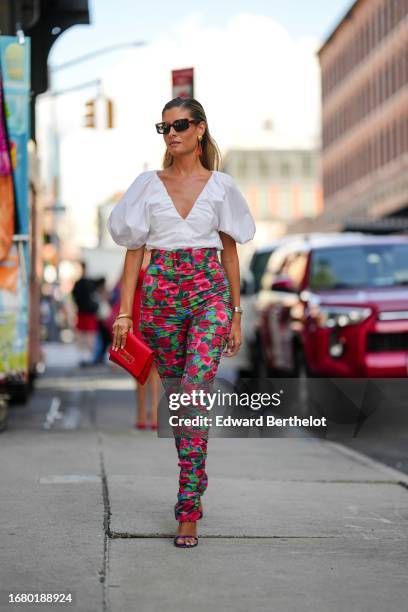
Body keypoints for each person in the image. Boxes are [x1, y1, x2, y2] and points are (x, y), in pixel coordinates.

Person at [107, 96, 256, 549]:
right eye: (164, 127)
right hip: (161, 300)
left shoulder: (222, 186)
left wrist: (234, 312)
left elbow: (230, 249)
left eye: (180, 125)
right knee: (181, 405)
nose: (172, 133)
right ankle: (194, 474)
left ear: (200, 129)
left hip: (209, 291)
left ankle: (187, 506)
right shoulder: (146, 185)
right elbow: (134, 251)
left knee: (194, 395)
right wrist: (126, 313)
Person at [132, 249, 160, 430]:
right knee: (140, 368)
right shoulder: (135, 252)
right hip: (138, 315)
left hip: (157, 314)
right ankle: (142, 413)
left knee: (156, 368)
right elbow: (124, 286)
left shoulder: (162, 252)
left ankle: (155, 413)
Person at [71, 261, 99, 365]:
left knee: (83, 335)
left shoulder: (78, 283)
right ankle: (88, 356)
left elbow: (74, 297)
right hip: (88, 313)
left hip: (83, 312)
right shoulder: (90, 283)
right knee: (88, 335)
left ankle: (84, 355)